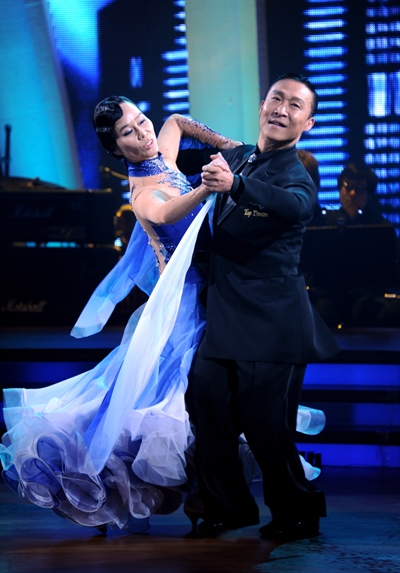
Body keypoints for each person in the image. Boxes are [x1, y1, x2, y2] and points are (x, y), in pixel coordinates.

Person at [0, 94, 330, 535]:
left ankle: (220, 500)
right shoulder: (142, 193)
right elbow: (165, 211)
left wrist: (232, 148)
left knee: (217, 407)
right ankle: (203, 499)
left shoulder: (164, 153)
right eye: (128, 132)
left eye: (141, 121)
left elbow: (175, 120)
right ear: (115, 148)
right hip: (183, 306)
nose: (143, 134)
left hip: (220, 298)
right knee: (183, 407)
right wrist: (207, 188)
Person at [181, 73, 341, 540]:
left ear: (308, 123)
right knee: (205, 404)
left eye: (295, 105)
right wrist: (154, 132)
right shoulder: (237, 156)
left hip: (272, 321)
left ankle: (299, 510)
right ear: (262, 105)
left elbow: (296, 207)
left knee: (267, 425)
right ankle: (228, 506)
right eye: (276, 98)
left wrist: (236, 186)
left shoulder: (297, 173)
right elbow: (175, 147)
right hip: (225, 314)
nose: (282, 109)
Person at [324, 163, 391, 226]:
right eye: (348, 186)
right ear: (339, 189)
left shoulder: (381, 227)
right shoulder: (326, 225)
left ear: (369, 195)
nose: (353, 193)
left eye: (360, 188)